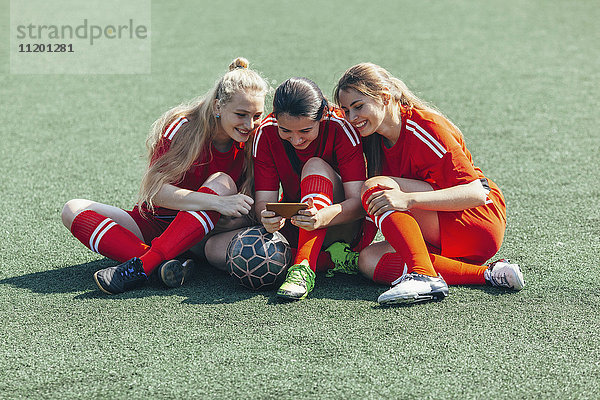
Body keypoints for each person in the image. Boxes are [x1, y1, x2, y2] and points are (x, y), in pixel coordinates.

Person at [61, 58, 269, 294]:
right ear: (217, 107)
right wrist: (216, 202)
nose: (249, 124)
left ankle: (145, 265)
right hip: (156, 223)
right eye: (241, 114)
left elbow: (254, 208)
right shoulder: (182, 127)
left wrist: (228, 214)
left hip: (207, 234)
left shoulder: (258, 138)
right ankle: (163, 265)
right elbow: (155, 193)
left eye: (256, 115)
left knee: (222, 180)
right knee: (72, 208)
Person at [333, 62, 525, 305]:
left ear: (384, 97)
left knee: (377, 187)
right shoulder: (373, 137)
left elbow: (476, 192)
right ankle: (491, 274)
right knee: (368, 261)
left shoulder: (424, 126)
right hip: (441, 230)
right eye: (346, 110)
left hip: (475, 218)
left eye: (358, 107)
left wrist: (408, 199)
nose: (352, 117)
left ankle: (423, 275)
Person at [253, 77, 375, 301]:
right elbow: (264, 201)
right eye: (286, 131)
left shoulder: (341, 127)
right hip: (296, 226)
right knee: (217, 251)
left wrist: (321, 217)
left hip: (344, 226)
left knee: (314, 165)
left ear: (323, 116)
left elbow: (360, 205)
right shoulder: (266, 132)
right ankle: (334, 260)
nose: (296, 139)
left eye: (306, 130)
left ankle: (303, 267)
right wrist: (268, 216)